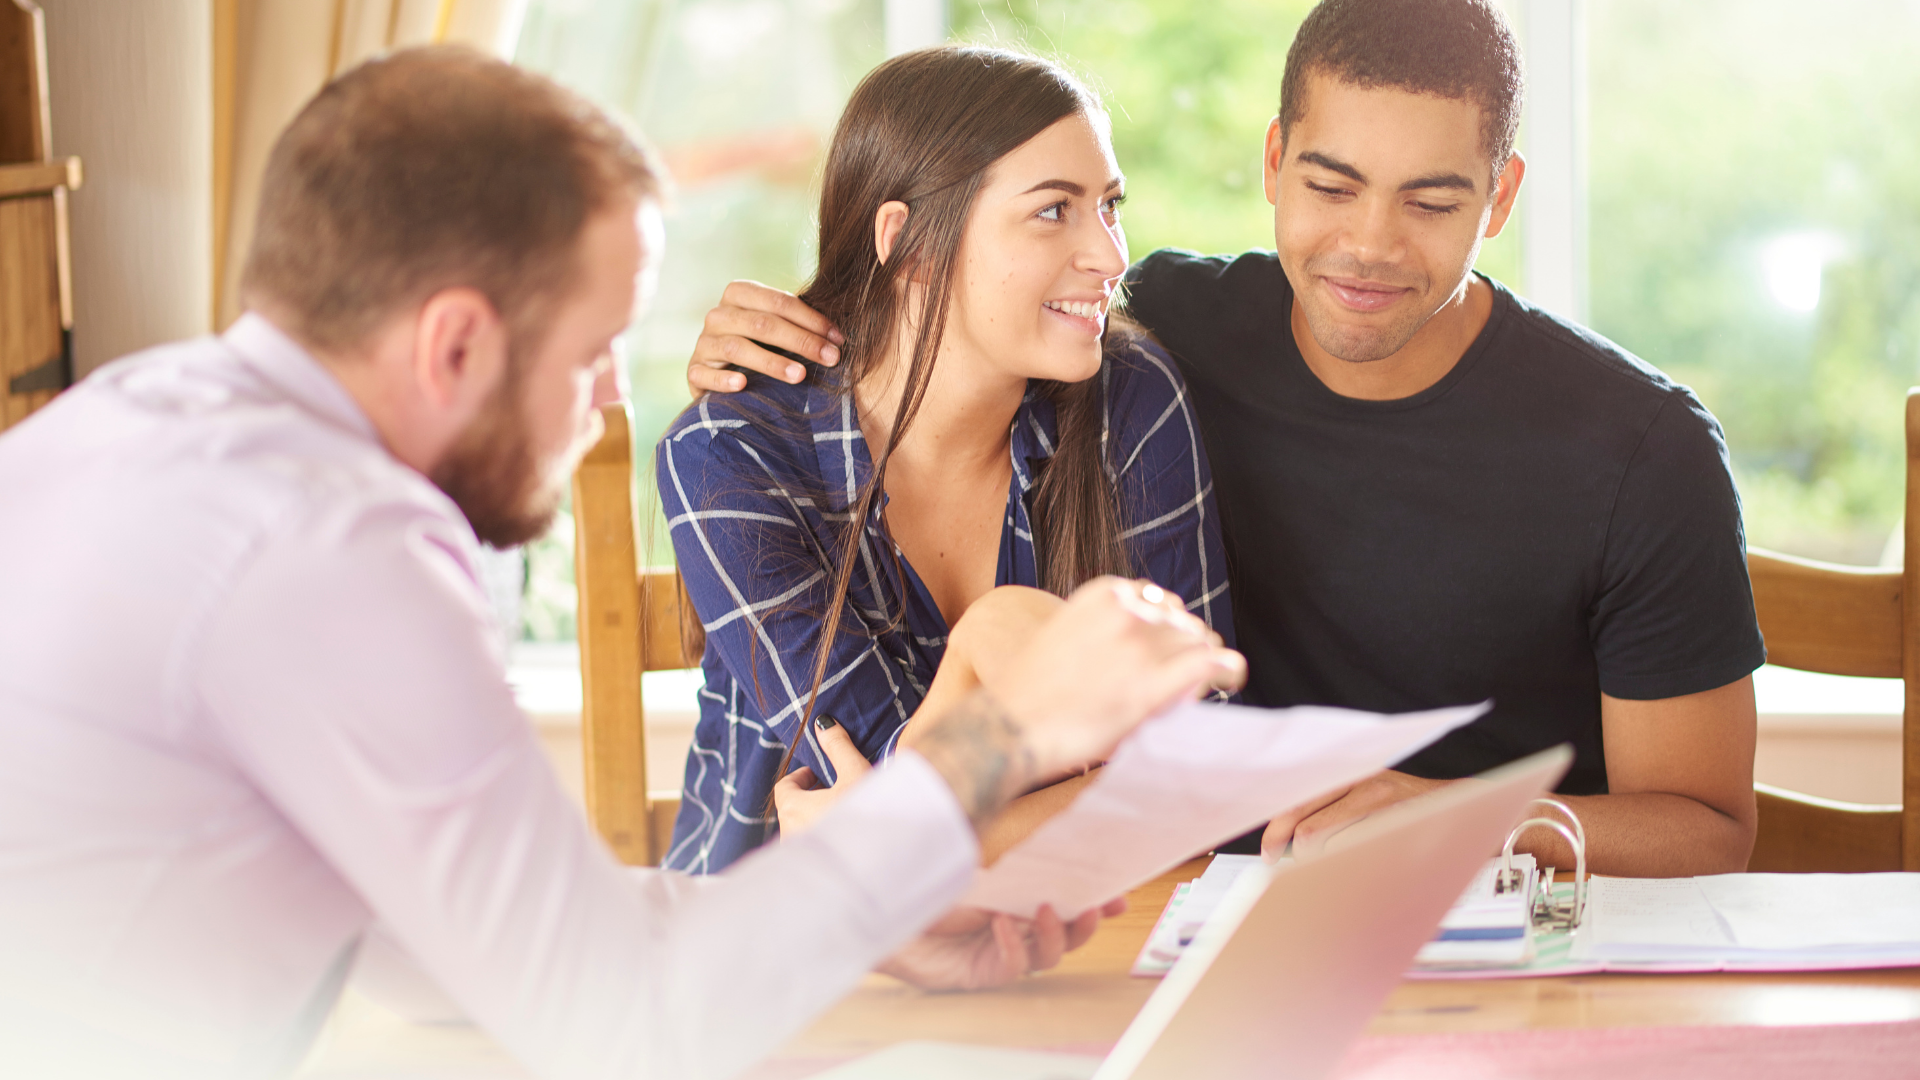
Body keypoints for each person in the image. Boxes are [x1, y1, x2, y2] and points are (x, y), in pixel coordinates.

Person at [0, 48, 1245, 1080]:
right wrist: (998, 734)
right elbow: (615, 1020)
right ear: (455, 345)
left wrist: (876, 920)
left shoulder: (125, 426)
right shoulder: (333, 544)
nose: (611, 396)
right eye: (596, 347)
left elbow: (459, 949)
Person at [684, 0, 1767, 878]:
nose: (1370, 246)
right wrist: (784, 340)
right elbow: (944, 296)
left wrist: (1459, 815)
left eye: (1431, 204)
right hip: (1139, 916)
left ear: (1500, 199)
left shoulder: (1642, 450)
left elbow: (1711, 828)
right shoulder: (1160, 337)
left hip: (1472, 924)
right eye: (1331, 185)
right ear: (1272, 163)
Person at [657, 47, 1234, 874]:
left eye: (1109, 206)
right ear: (909, 242)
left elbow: (1203, 768)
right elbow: (883, 777)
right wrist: (985, 645)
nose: (1111, 257)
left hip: (1069, 930)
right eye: (1053, 211)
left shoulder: (1130, 398)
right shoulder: (731, 456)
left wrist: (906, 830)